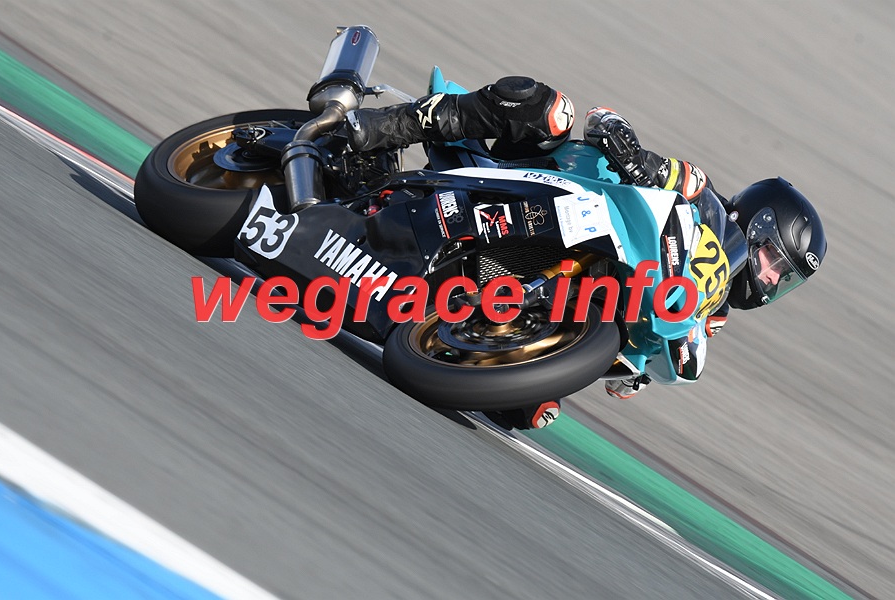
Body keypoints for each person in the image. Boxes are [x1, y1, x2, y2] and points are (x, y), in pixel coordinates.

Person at [344, 76, 827, 429]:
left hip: (568, 276)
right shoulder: (702, 196)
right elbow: (610, 126)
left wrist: (630, 369)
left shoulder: (708, 311)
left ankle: (460, 321)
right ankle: (384, 125)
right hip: (547, 179)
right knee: (553, 111)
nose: (769, 279)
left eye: (783, 280)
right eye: (774, 259)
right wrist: (631, 153)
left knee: (533, 410)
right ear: (757, 223)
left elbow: (633, 374)